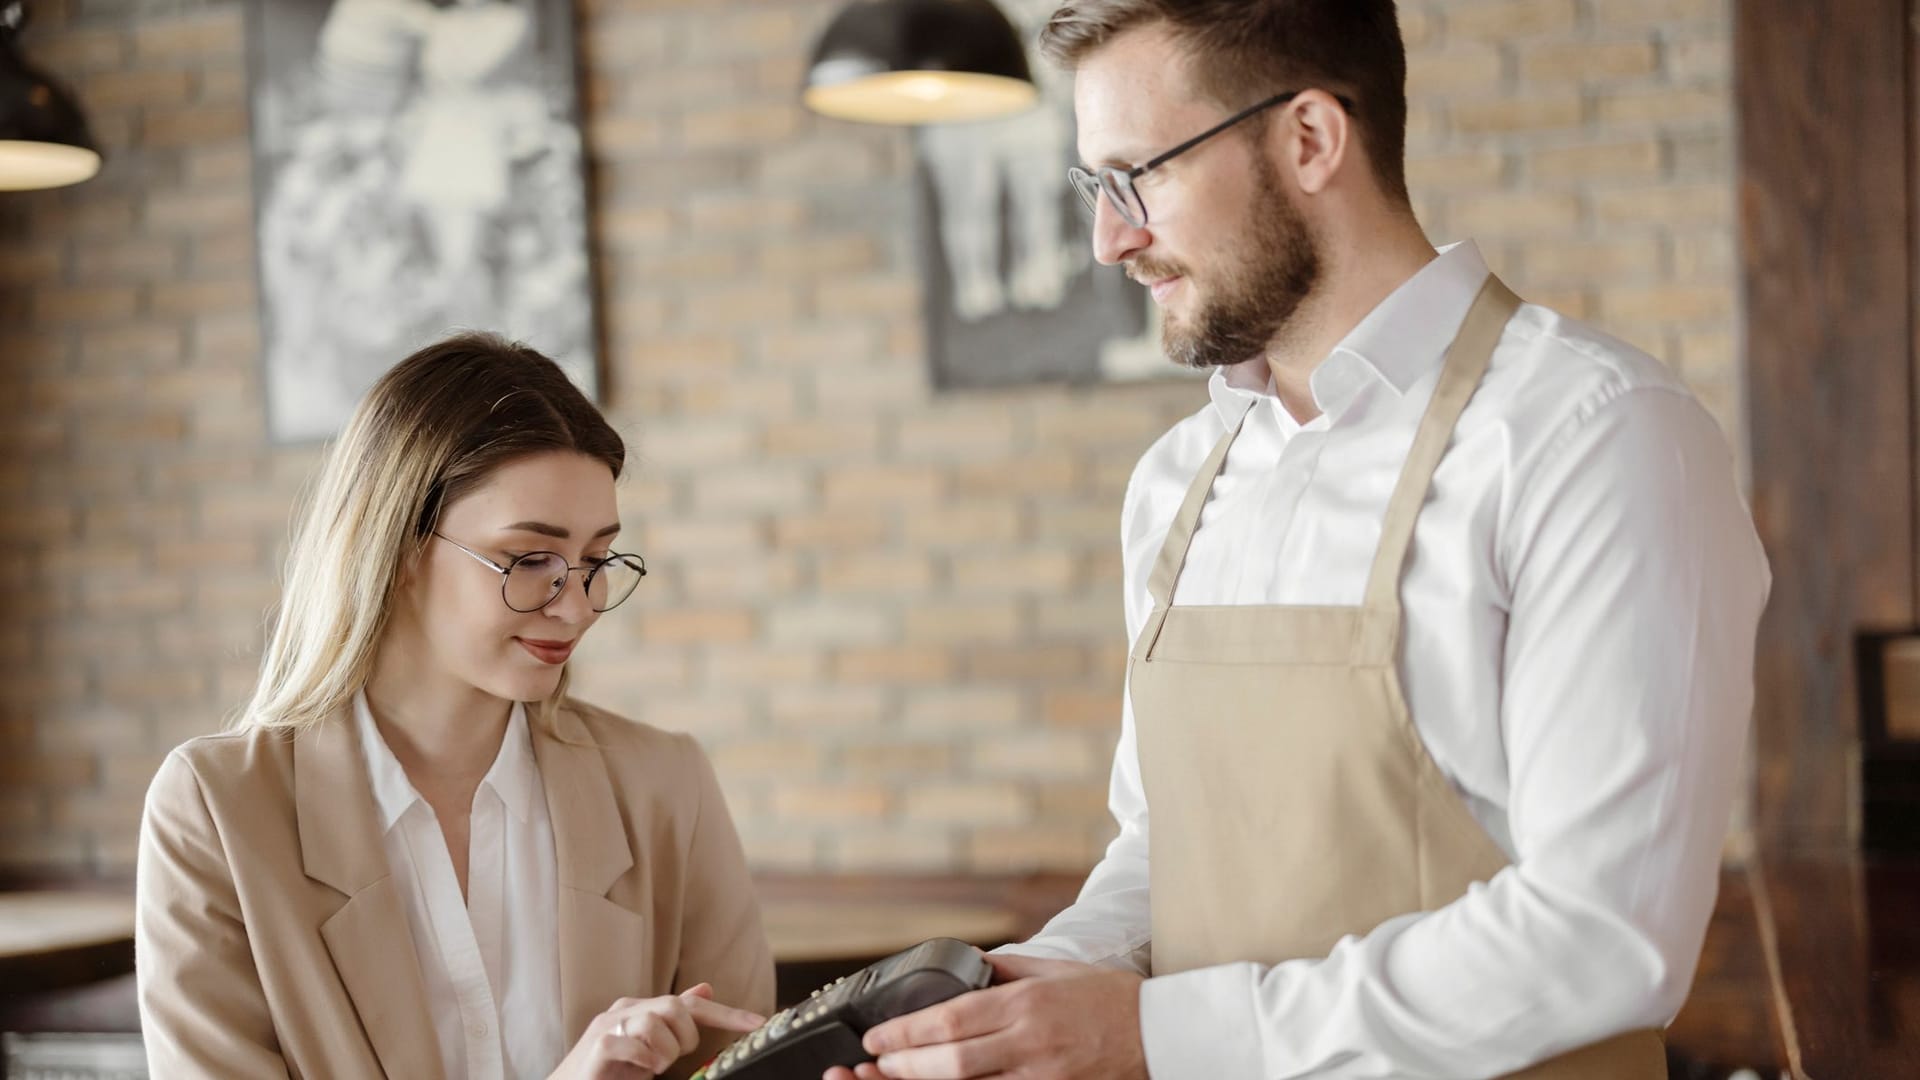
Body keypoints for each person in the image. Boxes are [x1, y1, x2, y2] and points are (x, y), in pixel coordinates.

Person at [829, 2, 1769, 1077]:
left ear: (1311, 138)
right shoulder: (1176, 482)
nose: (1110, 239)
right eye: (1096, 186)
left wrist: (1146, 1034)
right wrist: (1020, 999)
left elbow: (1606, 937)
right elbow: (1163, 850)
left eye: (1140, 175)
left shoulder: (1596, 438)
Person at [136, 332, 774, 1080]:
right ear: (398, 545)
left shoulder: (666, 785)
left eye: (597, 561)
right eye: (529, 560)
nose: (577, 608)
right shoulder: (216, 811)